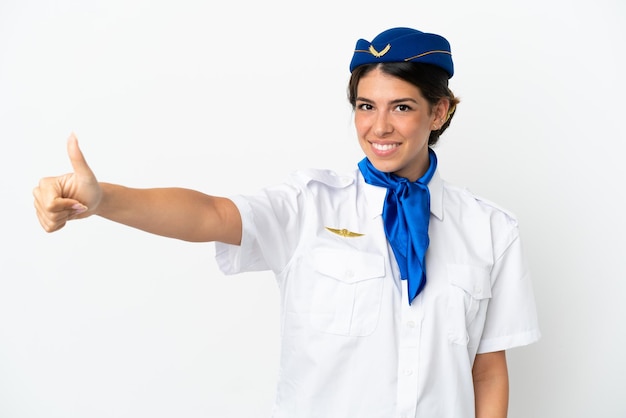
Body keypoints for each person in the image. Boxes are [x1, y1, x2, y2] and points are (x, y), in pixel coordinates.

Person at [33, 27, 540, 418]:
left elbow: (488, 372)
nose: (378, 127)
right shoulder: (309, 206)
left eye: (401, 107)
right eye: (366, 106)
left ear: (439, 113)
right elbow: (210, 214)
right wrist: (103, 200)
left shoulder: (490, 229)